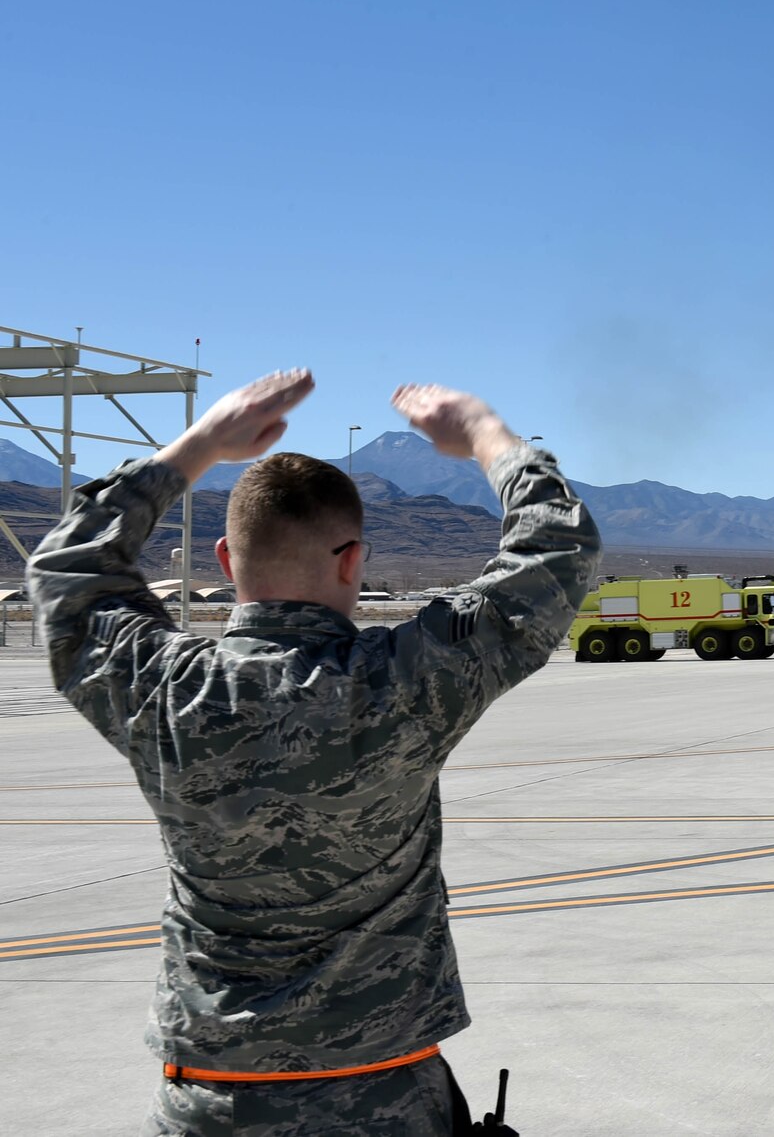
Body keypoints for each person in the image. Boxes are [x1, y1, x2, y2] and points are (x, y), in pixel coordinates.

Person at [27, 371, 601, 1136]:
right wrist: (486, 433)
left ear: (228, 561)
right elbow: (559, 549)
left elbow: (65, 568)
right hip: (384, 1099)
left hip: (211, 1099)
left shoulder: (163, 687)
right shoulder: (405, 681)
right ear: (352, 560)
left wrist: (199, 446)